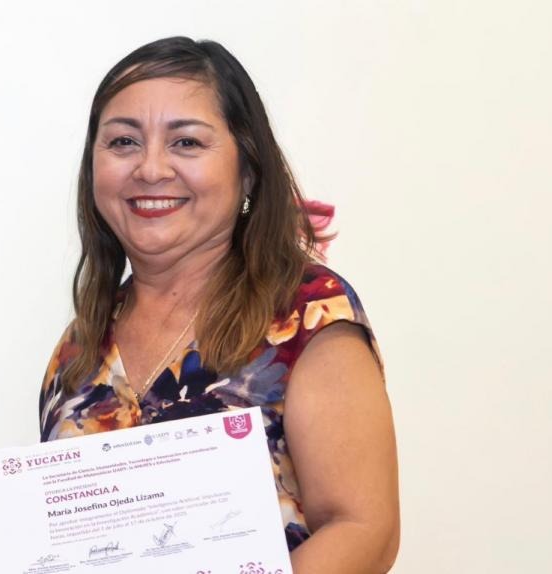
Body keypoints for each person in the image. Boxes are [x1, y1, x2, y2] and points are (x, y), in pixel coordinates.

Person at [38, 36, 399, 572]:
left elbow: (364, 529)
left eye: (186, 142)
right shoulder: (77, 350)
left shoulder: (306, 315)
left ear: (246, 168)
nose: (150, 169)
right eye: (123, 142)